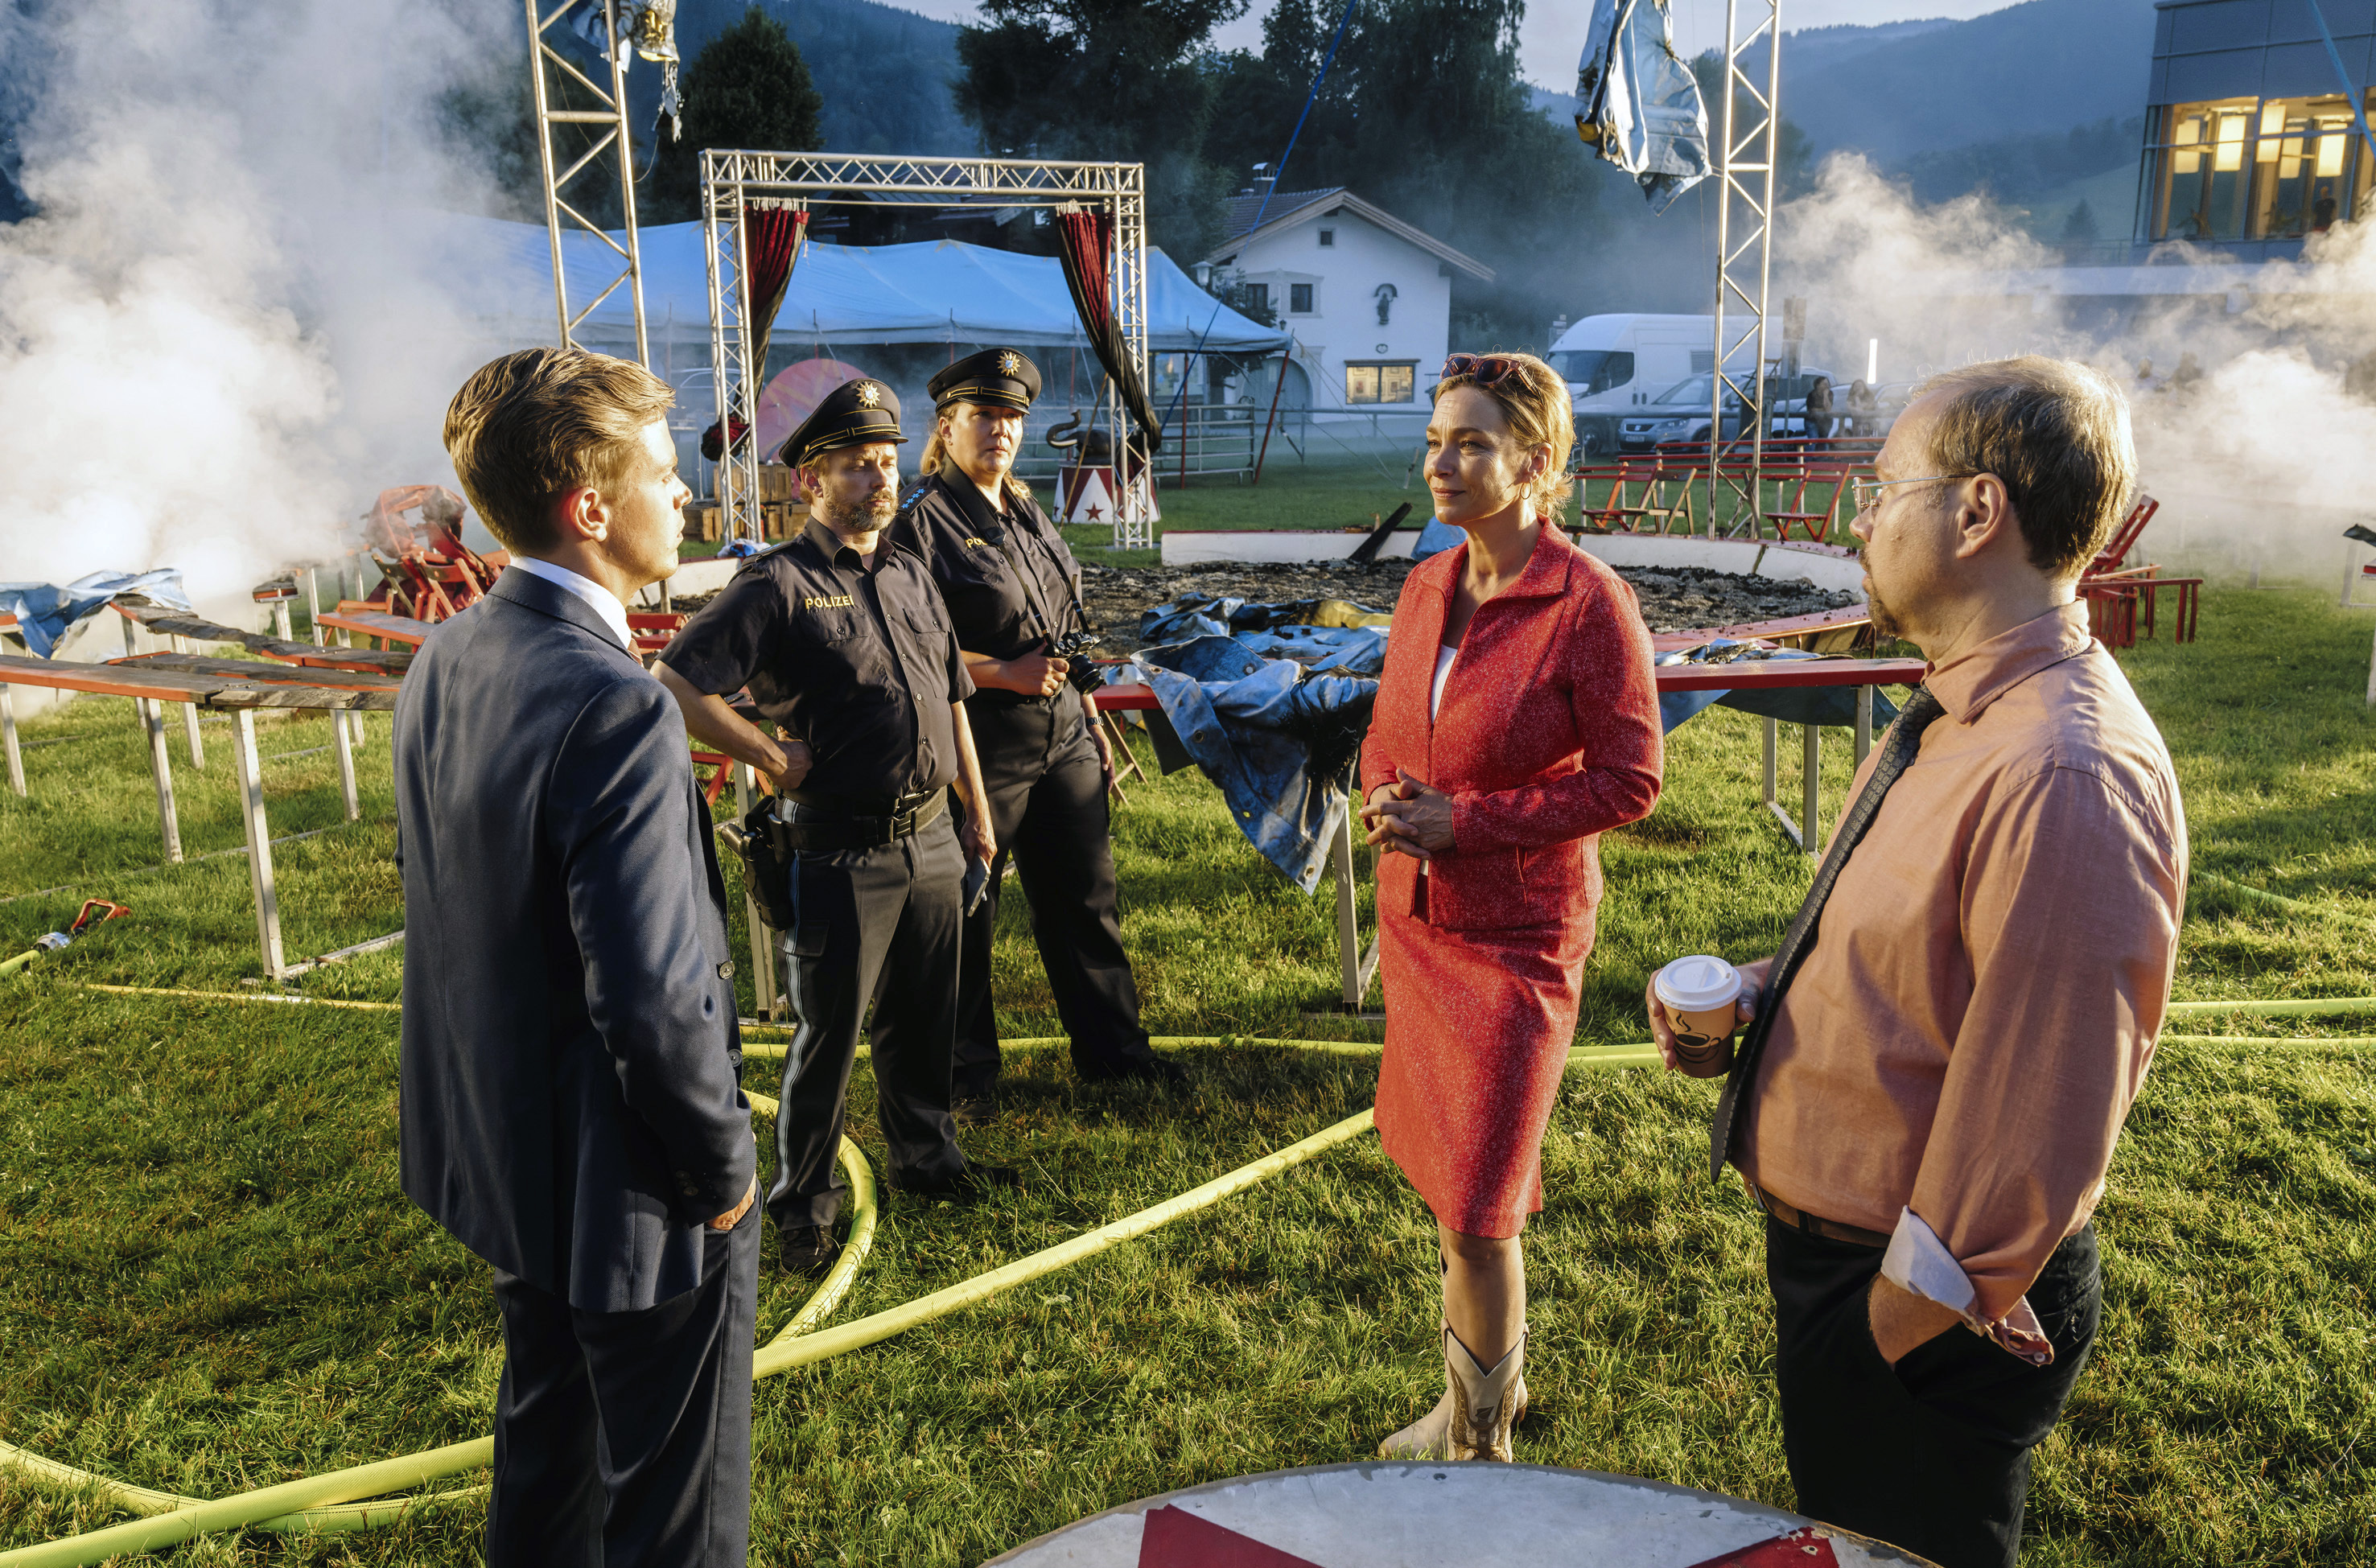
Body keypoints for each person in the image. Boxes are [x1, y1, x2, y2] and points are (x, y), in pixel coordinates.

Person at [1652, 356, 2186, 1568]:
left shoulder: (2062, 767)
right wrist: (1753, 992)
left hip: (1919, 1303)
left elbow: (2039, 1105)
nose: (1859, 515)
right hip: (1863, 1275)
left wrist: (1895, 1324)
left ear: (1976, 511)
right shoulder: (1963, 709)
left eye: (1885, 484)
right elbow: (1908, 957)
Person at [395, 347, 759, 1566]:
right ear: (591, 508)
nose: (687, 497)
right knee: (674, 1510)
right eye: (664, 472)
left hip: (504, 1155)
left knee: (546, 1462)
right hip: (629, 1185)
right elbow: (651, 1002)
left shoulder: (447, 651)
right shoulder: (616, 700)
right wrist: (720, 1174)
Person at [1361, 352, 1663, 1462]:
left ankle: (1478, 1441)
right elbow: (1392, 725)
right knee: (1452, 1188)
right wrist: (1386, 795)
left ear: (1535, 462)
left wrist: (1468, 822)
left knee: (1481, 1211)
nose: (1441, 462)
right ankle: (1485, 1391)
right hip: (1421, 921)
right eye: (1436, 440)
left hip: (1517, 944)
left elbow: (1632, 781)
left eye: (1470, 443)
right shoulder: (1427, 584)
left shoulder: (1589, 603)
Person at [654, 377, 1011, 1280]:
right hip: (843, 847)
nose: (877, 480)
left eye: (886, 464)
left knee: (924, 1019)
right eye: (856, 466)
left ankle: (926, 1157)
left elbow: (954, 699)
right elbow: (677, 682)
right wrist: (767, 757)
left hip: (933, 836)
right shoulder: (775, 583)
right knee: (830, 1034)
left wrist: (976, 810)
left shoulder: (911, 571)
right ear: (810, 479)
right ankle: (803, 1202)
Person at [886, 348, 1185, 1123]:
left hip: (1063, 739)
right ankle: (965, 1081)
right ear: (946, 427)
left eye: (1013, 417)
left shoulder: (1023, 508)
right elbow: (908, 649)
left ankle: (1116, 1058)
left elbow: (1063, 628)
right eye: (984, 416)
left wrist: (1088, 712)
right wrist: (1002, 672)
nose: (1001, 430)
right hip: (979, 745)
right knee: (965, 913)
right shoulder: (921, 527)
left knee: (1086, 898)